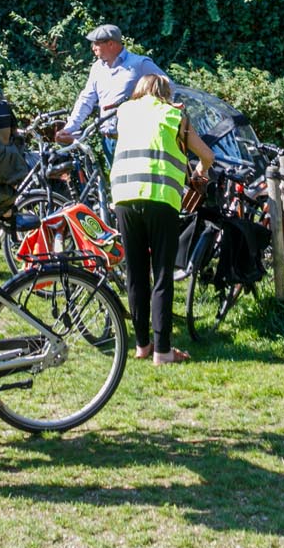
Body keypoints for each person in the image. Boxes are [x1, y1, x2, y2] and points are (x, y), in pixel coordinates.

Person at [112, 74, 214, 365]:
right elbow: (207, 156)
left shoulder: (125, 112)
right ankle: (163, 351)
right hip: (160, 198)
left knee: (136, 272)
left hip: (125, 196)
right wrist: (198, 173)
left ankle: (141, 345)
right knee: (162, 274)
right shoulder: (175, 115)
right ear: (166, 93)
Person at [61, 24, 169, 141]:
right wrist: (69, 128)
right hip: (107, 139)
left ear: (111, 44)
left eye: (96, 43)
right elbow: (86, 100)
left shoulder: (140, 64)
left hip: (134, 138)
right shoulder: (97, 68)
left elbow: (168, 88)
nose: (93, 48)